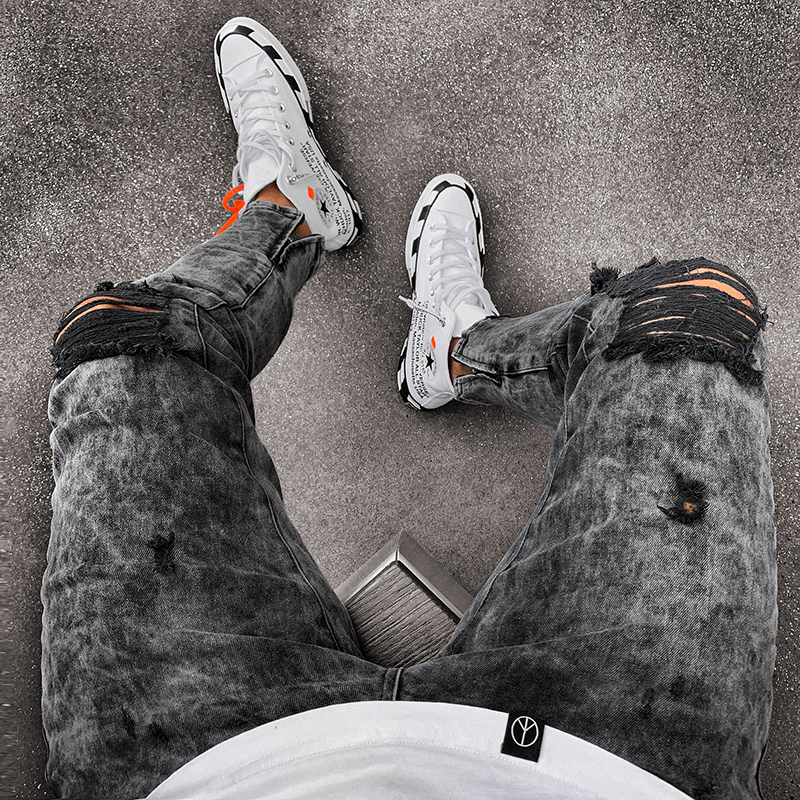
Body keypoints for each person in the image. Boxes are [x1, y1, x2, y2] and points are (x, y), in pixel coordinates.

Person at [42, 16, 777, 800]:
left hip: (197, 763)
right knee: (690, 316)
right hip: (604, 763)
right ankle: (457, 348)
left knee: (117, 346)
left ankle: (296, 215)